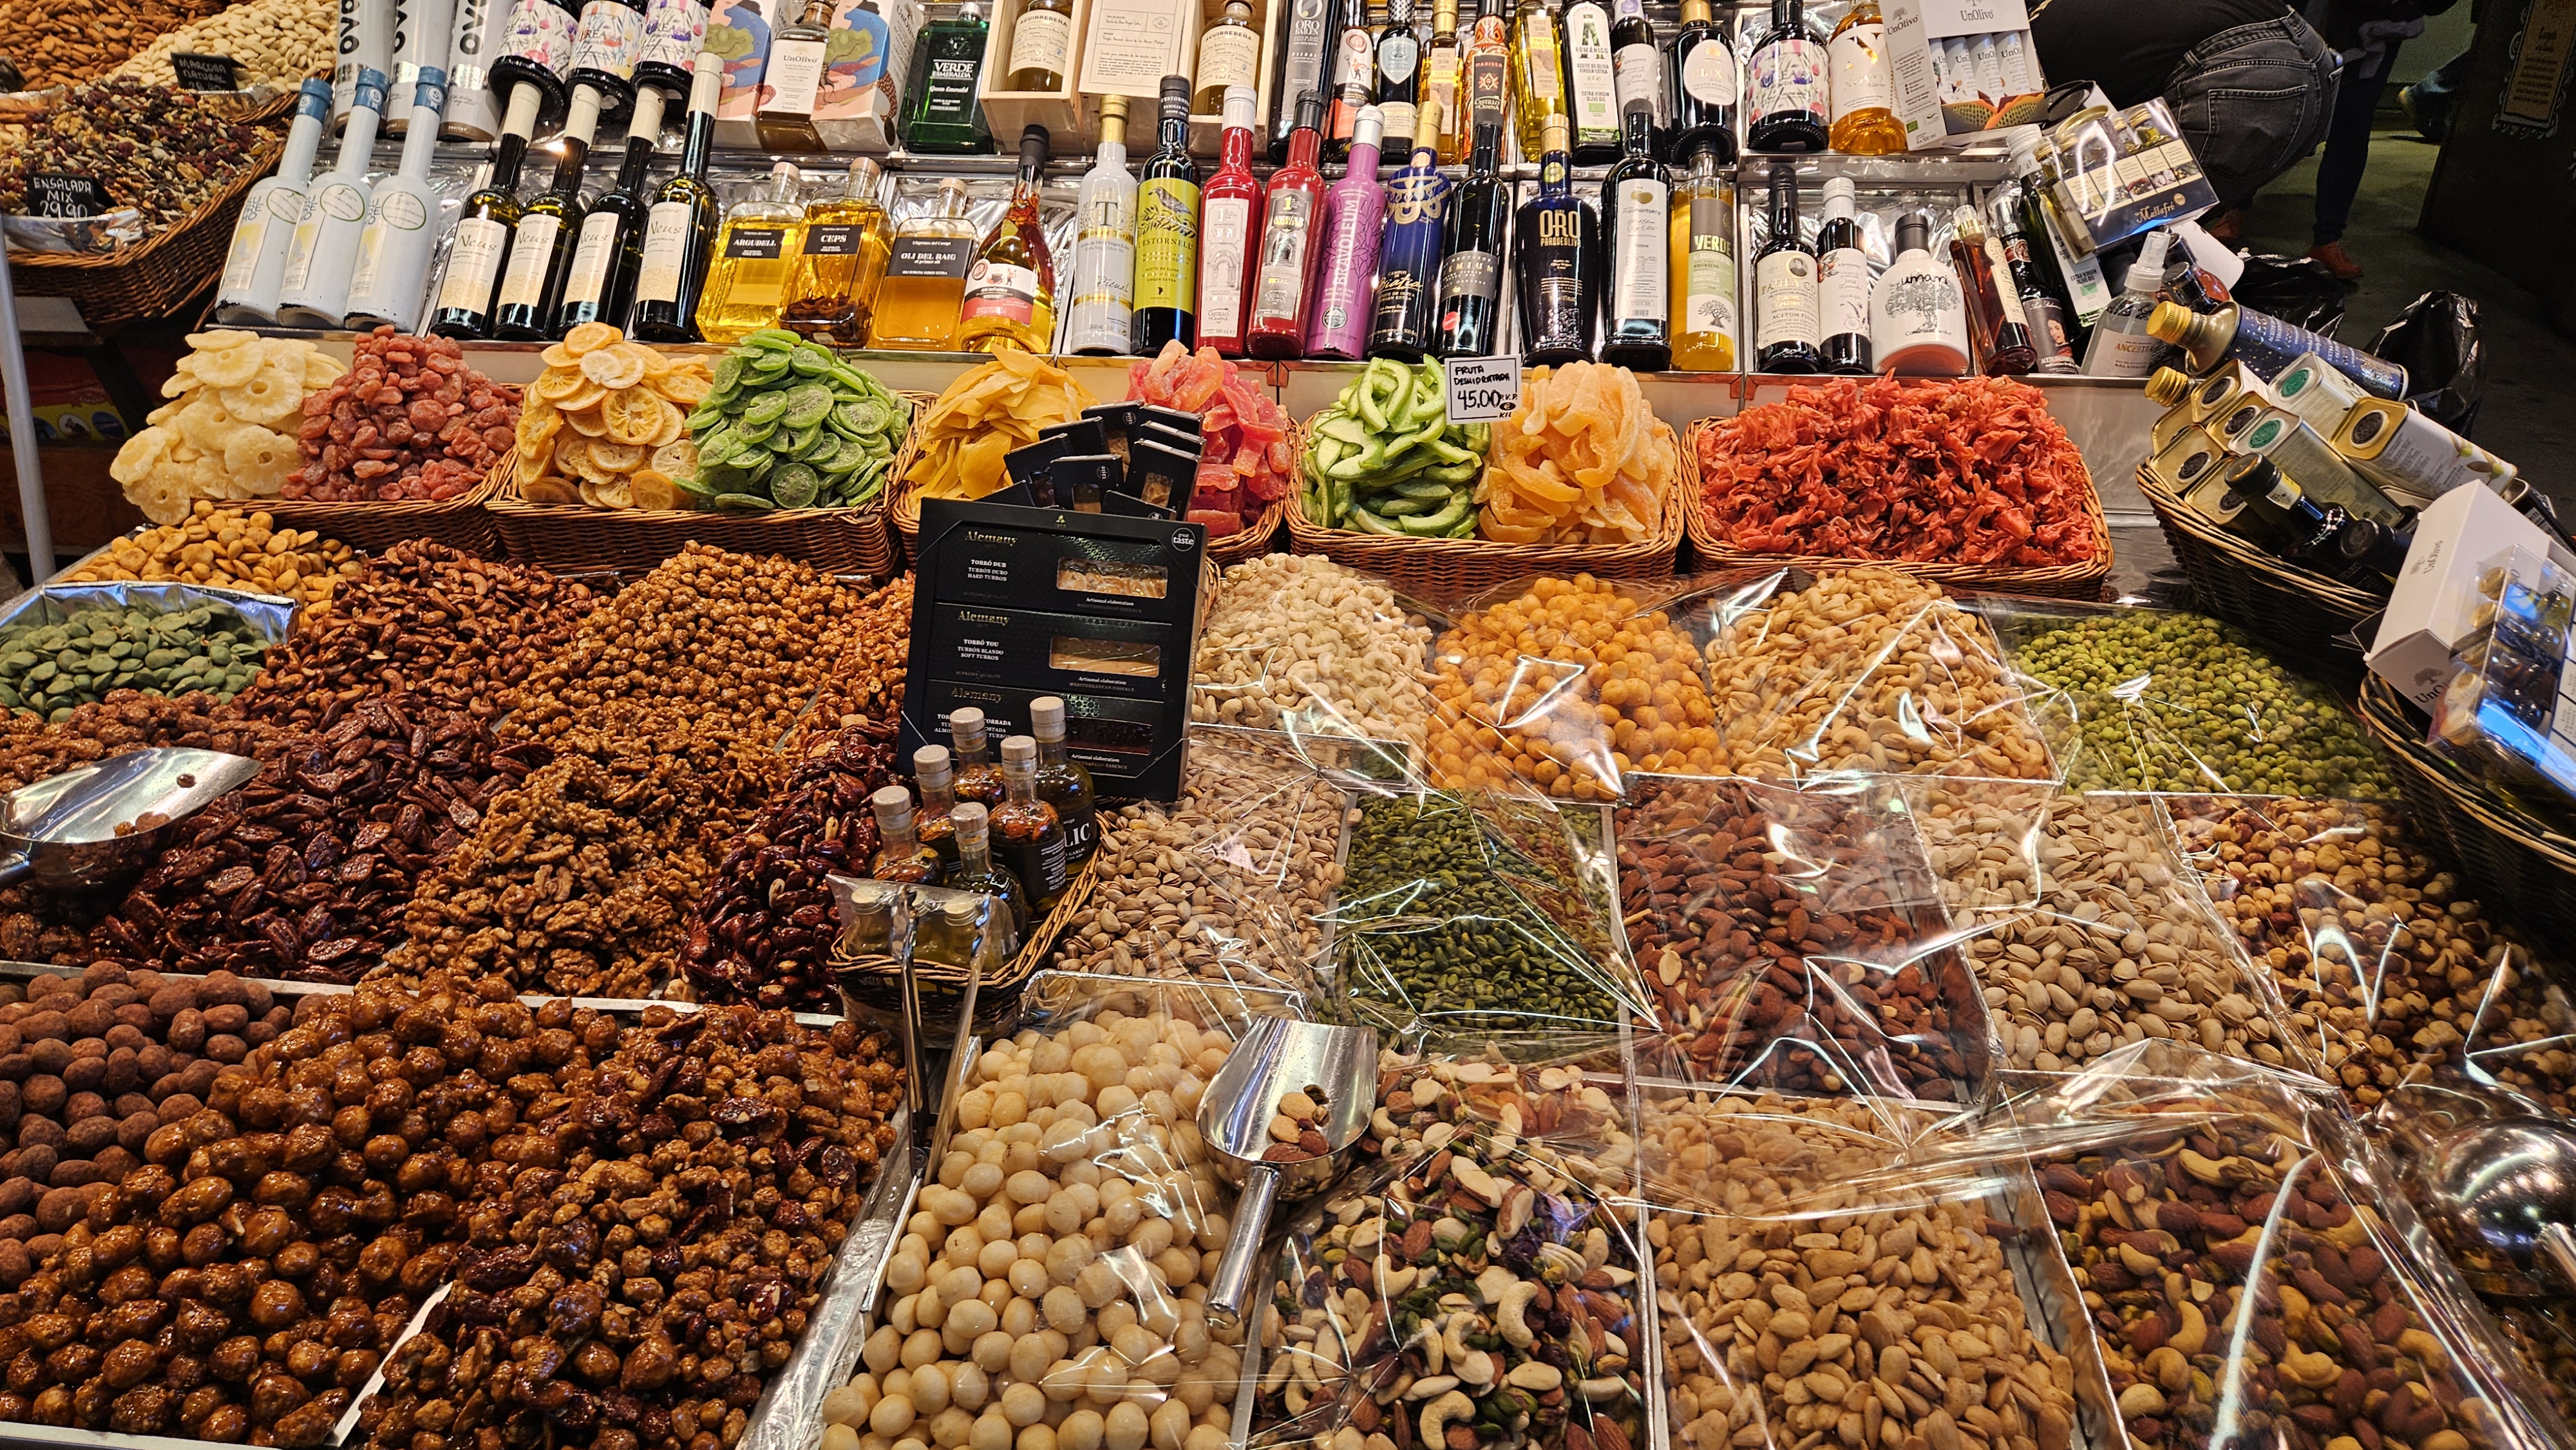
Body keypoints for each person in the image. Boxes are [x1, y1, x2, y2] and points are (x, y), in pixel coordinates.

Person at [2031, 0, 2341, 243]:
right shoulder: (2059, 19)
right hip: (2309, 54)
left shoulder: (2030, 37)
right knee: (2155, 239)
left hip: (2242, 75)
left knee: (2108, 235)